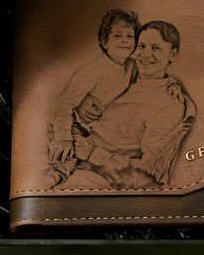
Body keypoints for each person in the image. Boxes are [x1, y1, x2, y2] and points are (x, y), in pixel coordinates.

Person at [47, 20, 196, 190]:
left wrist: (90, 152)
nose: (146, 55)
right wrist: (81, 104)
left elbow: (146, 171)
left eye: (156, 48)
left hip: (98, 175)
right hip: (70, 150)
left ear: (173, 54)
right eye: (141, 46)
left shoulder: (169, 106)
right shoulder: (129, 72)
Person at [47, 9, 140, 165]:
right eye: (118, 36)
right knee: (72, 151)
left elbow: (152, 80)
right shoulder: (93, 70)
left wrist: (174, 86)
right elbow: (64, 104)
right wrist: (64, 138)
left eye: (130, 36)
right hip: (76, 124)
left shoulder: (134, 66)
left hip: (100, 127)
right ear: (105, 42)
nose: (125, 41)